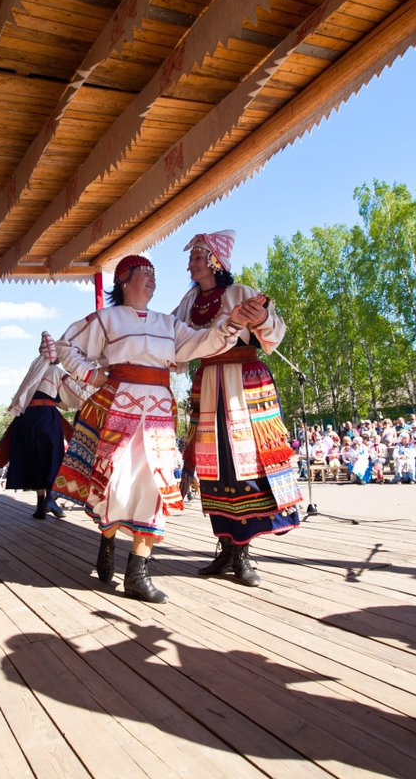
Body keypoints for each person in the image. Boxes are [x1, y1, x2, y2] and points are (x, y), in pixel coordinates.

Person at [53, 254, 255, 603]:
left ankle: (137, 572)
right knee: (117, 483)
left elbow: (201, 342)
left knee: (156, 486)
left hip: (159, 411)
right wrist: (90, 373)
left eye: (154, 275)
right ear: (124, 281)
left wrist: (232, 324)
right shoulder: (105, 319)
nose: (152, 280)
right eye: (145, 274)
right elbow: (66, 345)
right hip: (120, 408)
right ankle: (108, 538)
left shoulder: (168, 323)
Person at [172, 231, 301, 587]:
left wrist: (260, 319)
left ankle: (243, 552)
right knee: (214, 467)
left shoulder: (241, 293)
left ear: (214, 261)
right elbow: (171, 337)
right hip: (208, 381)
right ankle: (226, 547)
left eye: (197, 258)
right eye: (192, 259)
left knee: (245, 463)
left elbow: (275, 333)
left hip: (244, 383)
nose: (190, 265)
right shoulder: (188, 301)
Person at [7, 333, 91, 519]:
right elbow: (76, 396)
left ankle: (40, 507)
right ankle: (50, 499)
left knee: (36, 461)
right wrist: (93, 398)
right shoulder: (55, 372)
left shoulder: (34, 370)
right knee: (53, 458)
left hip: (26, 419)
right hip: (45, 419)